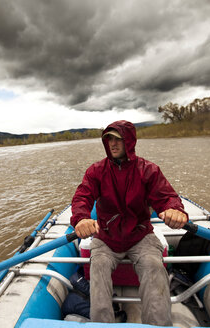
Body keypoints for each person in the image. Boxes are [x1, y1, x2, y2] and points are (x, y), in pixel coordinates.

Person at [70, 120, 188, 325]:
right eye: (109, 139)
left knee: (153, 266)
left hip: (140, 236)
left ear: (130, 142)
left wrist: (175, 210)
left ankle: (158, 325)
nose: (113, 144)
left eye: (118, 139)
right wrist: (81, 218)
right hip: (107, 238)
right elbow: (82, 197)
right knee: (97, 266)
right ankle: (102, 324)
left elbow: (166, 197)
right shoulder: (96, 171)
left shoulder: (148, 170)